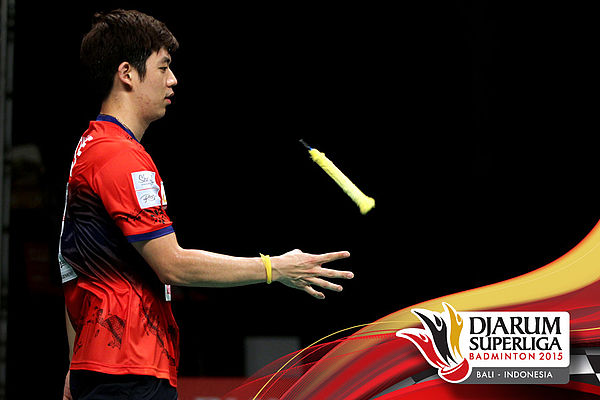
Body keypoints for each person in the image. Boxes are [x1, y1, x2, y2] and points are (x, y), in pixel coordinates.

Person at [59, 9, 354, 400]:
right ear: (127, 73)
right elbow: (172, 264)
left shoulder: (89, 147)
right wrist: (275, 268)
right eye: (163, 67)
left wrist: (76, 362)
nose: (173, 79)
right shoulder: (120, 157)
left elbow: (71, 266)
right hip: (129, 370)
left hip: (104, 365)